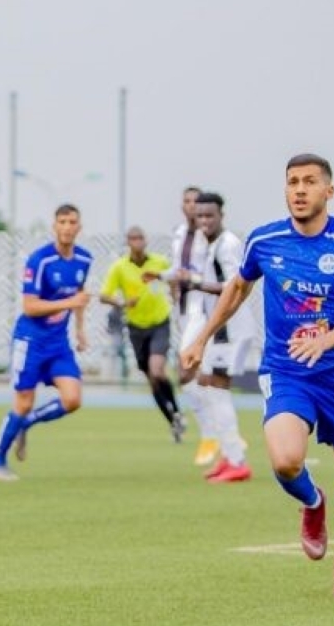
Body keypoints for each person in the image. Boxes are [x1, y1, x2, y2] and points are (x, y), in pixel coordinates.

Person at [181, 153, 334, 598]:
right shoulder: (264, 240)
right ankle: (313, 503)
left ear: (330, 190)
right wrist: (202, 339)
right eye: (293, 182)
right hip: (288, 371)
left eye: (310, 182)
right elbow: (237, 289)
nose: (300, 190)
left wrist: (324, 341)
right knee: (286, 461)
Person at [0, 204, 91, 482]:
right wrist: (71, 303)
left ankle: (28, 424)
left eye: (72, 222)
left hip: (59, 343)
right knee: (23, 402)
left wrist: (80, 330)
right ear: (54, 226)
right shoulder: (40, 260)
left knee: (72, 399)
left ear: (79, 227)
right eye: (62, 222)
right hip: (30, 340)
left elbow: (80, 296)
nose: (68, 227)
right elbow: (30, 306)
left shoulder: (84, 259)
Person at [157, 192, 253, 482]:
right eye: (200, 216)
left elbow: (236, 285)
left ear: (222, 215)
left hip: (231, 328)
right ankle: (229, 454)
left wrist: (196, 283)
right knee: (206, 384)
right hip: (217, 327)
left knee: (217, 388)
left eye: (210, 216)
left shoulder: (228, 245)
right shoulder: (208, 245)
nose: (204, 221)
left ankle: (236, 460)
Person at [100, 226, 185, 441]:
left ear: (145, 241)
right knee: (151, 380)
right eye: (132, 239)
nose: (137, 242)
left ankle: (176, 409)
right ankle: (173, 421)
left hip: (159, 322)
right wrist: (122, 302)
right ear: (128, 242)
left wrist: (175, 297)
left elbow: (173, 279)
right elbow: (104, 295)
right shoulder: (120, 267)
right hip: (136, 326)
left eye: (140, 238)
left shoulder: (159, 262)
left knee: (157, 370)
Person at [171, 186, 219, 465]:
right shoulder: (179, 235)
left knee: (189, 370)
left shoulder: (211, 238)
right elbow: (179, 270)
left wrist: (194, 278)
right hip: (185, 310)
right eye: (186, 201)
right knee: (194, 375)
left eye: (195, 202)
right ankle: (219, 433)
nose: (191, 206)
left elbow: (209, 274)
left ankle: (212, 433)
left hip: (205, 310)